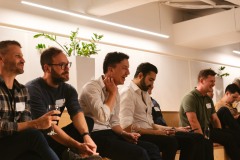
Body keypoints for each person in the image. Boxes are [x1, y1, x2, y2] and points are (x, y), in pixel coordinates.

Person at [120, 62, 212, 160]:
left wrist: (174, 129)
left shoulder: (145, 94)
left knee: (196, 138)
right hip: (139, 135)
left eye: (153, 81)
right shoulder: (127, 93)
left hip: (149, 132)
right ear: (140, 75)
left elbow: (151, 124)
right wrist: (160, 133)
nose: (152, 84)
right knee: (171, 142)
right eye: (150, 80)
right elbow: (126, 128)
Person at [79, 52, 162, 160]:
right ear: (111, 69)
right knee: (139, 153)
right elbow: (102, 116)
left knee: (152, 148)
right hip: (94, 135)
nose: (128, 73)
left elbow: (114, 122)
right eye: (124, 68)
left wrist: (124, 134)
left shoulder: (115, 90)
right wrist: (112, 94)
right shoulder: (92, 87)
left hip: (111, 133)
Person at [26, 47, 99, 159]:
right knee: (47, 135)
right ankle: (70, 154)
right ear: (47, 68)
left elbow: (77, 113)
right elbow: (48, 127)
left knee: (88, 121)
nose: (67, 68)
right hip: (39, 136)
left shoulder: (68, 90)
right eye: (61, 65)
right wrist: (78, 145)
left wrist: (86, 136)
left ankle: (72, 153)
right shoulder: (33, 89)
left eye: (67, 64)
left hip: (54, 133)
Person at [0, 40, 60, 160]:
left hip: (15, 145)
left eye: (22, 56)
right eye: (17, 56)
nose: (23, 60)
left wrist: (35, 125)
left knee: (33, 155)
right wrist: (35, 124)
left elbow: (25, 125)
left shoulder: (22, 90)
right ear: (1, 59)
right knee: (34, 136)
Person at [179, 68, 240, 160]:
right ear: (202, 81)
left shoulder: (208, 99)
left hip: (207, 131)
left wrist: (220, 133)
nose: (214, 84)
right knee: (223, 139)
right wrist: (203, 139)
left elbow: (215, 119)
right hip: (192, 132)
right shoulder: (190, 98)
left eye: (214, 81)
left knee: (233, 134)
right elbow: (193, 121)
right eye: (211, 81)